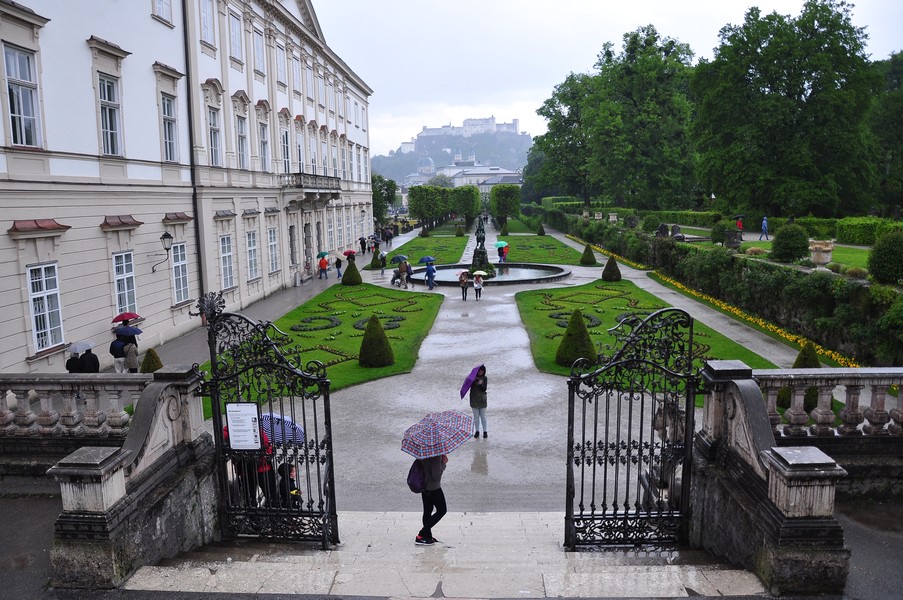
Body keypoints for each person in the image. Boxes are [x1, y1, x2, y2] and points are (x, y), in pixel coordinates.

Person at [415, 454, 448, 545]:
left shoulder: (422, 452)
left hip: (424, 485)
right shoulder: (435, 455)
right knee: (442, 510)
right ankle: (422, 534)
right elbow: (436, 476)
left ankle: (427, 536)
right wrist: (443, 463)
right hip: (433, 488)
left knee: (427, 511)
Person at [470, 365, 488, 438]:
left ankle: (485, 431)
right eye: (480, 370)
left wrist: (480, 384)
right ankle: (477, 431)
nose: (481, 371)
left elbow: (484, 389)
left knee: (483, 417)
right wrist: (472, 380)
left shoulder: (485, 378)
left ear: (484, 371)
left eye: (482, 370)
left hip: (482, 400)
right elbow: (468, 386)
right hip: (474, 400)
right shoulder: (472, 378)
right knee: (476, 417)